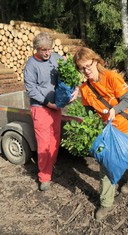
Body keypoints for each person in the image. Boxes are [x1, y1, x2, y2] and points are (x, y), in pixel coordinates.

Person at [73, 47, 128, 220]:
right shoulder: (85, 88)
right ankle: (106, 203)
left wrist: (114, 111)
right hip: (106, 132)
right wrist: (89, 123)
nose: (86, 71)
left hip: (124, 127)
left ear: (95, 61)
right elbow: (88, 111)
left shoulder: (111, 77)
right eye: (82, 68)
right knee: (106, 168)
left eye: (88, 65)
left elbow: (127, 100)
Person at [24, 32, 79, 191]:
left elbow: (68, 74)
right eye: (44, 50)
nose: (48, 53)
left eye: (49, 49)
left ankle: (51, 167)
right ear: (37, 49)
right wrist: (49, 103)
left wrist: (75, 89)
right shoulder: (31, 65)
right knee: (44, 143)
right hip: (41, 108)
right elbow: (32, 90)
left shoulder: (55, 57)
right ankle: (44, 177)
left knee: (55, 139)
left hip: (56, 106)